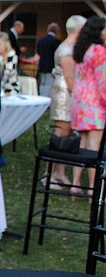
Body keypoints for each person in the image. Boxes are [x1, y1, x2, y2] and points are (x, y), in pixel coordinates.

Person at [69, 16, 106, 195]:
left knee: (82, 145)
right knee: (94, 148)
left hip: (79, 103)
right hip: (95, 105)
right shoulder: (99, 50)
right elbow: (103, 81)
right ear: (98, 31)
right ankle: (93, 188)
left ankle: (75, 185)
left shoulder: (81, 49)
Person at [49, 15, 86, 186]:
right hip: (64, 93)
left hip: (66, 91)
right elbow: (70, 78)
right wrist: (80, 99)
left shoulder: (70, 47)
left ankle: (60, 172)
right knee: (61, 132)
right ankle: (50, 174)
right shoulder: (67, 50)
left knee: (67, 133)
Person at [37, 22, 61, 96]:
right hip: (51, 65)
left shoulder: (41, 40)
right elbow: (58, 53)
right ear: (56, 30)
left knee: (42, 83)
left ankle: (41, 96)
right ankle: (47, 99)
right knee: (49, 83)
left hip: (42, 64)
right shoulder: (55, 41)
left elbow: (38, 51)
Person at [0, 31, 21, 95]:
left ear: (6, 44)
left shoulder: (12, 55)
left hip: (11, 88)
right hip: (0, 89)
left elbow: (8, 72)